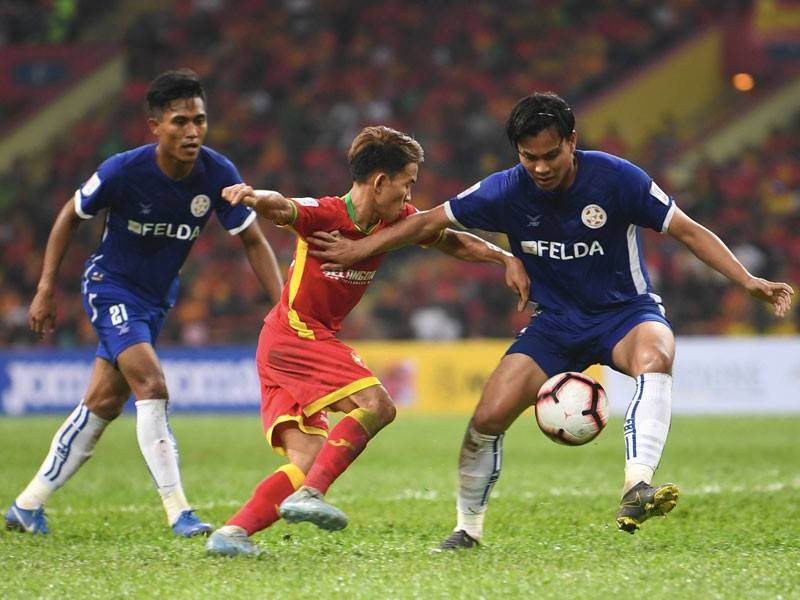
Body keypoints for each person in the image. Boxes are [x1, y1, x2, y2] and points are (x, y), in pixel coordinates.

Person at [307, 92, 795, 549]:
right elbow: (429, 221)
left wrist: (747, 280)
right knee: (488, 416)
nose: (539, 168)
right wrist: (361, 247)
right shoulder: (504, 190)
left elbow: (687, 231)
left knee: (657, 355)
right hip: (555, 324)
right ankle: (467, 530)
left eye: (550, 155)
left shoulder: (618, 179)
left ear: (572, 142)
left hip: (624, 313)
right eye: (528, 157)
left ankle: (636, 484)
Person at [204, 125, 529, 557]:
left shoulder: (395, 220)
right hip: (296, 335)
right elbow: (283, 206)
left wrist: (503, 256)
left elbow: (452, 242)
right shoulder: (326, 214)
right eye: (407, 182)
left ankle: (231, 534)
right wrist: (253, 196)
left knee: (306, 460)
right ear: (380, 182)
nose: (410, 192)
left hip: (282, 344)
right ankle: (312, 494)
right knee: (379, 405)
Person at [5, 68, 283, 537]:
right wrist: (45, 287)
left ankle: (26, 506)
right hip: (110, 287)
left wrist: (284, 309)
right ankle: (179, 512)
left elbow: (253, 240)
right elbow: (69, 217)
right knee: (151, 385)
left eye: (199, 119)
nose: (192, 131)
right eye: (179, 121)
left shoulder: (217, 173)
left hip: (155, 300)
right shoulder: (122, 170)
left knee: (103, 403)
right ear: (155, 125)